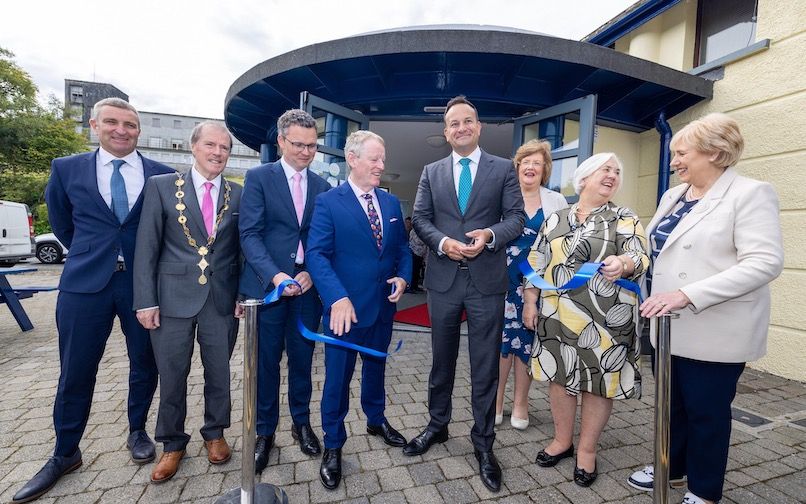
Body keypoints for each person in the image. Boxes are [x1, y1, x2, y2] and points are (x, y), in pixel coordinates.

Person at [12, 98, 174, 503]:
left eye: (130, 125)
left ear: (139, 130)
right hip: (85, 287)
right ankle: (65, 452)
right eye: (112, 123)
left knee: (145, 363)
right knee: (76, 371)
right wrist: (92, 255)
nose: (121, 130)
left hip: (142, 288)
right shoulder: (67, 169)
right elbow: (62, 222)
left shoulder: (162, 174)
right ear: (94, 125)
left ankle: (138, 431)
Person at [627, 114, 783, 504]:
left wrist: (687, 294)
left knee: (706, 414)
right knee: (672, 406)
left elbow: (764, 263)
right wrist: (629, 264)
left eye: (681, 153)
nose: (674, 161)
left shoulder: (750, 193)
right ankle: (671, 468)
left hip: (715, 327)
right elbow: (659, 252)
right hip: (667, 326)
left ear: (714, 152)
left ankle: (704, 490)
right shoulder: (673, 196)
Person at [408, 96, 524, 492]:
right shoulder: (431, 171)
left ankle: (483, 443)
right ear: (446, 132)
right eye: (453, 123)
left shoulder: (503, 169)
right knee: (441, 361)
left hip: (486, 282)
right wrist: (443, 243)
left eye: (467, 121)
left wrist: (489, 236)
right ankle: (437, 426)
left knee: (484, 368)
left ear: (479, 126)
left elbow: (516, 219)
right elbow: (421, 219)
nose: (460, 128)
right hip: (442, 280)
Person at [523, 152, 649, 487]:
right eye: (605, 169)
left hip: (606, 318)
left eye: (617, 171)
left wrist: (624, 263)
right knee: (560, 378)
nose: (612, 175)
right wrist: (530, 302)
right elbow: (537, 261)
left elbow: (639, 254)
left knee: (598, 383)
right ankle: (563, 441)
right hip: (556, 314)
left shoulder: (624, 216)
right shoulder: (556, 219)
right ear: (584, 178)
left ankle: (587, 451)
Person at [132, 122, 242, 482]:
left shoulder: (238, 193)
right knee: (172, 375)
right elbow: (146, 247)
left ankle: (215, 433)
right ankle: (172, 443)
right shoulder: (161, 187)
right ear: (192, 148)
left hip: (221, 299)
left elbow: (242, 251)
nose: (218, 152)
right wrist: (145, 301)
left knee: (220, 374)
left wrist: (242, 295)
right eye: (210, 145)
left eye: (225, 147)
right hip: (172, 299)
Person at [306, 130, 411, 490]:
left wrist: (402, 278)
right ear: (353, 159)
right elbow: (317, 254)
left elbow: (402, 251)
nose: (382, 165)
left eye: (383, 159)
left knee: (377, 369)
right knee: (337, 380)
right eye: (375, 159)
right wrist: (336, 297)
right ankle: (333, 445)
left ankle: (376, 419)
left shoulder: (391, 203)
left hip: (382, 308)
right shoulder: (329, 202)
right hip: (344, 312)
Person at [239, 109, 332, 473]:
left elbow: (323, 239)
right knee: (265, 364)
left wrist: (310, 271)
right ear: (280, 141)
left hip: (306, 291)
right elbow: (249, 235)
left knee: (303, 362)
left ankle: (301, 424)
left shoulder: (323, 186)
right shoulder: (259, 177)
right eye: (299, 145)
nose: (307, 152)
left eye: (312, 146)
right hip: (269, 289)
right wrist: (278, 277)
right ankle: (264, 433)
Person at [496, 139, 568, 430]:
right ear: (517, 167)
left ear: (545, 170)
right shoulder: (502, 196)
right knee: (500, 343)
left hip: (536, 283)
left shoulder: (556, 201)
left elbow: (561, 245)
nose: (530, 167)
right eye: (525, 161)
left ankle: (521, 402)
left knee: (526, 342)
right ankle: (496, 400)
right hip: (501, 281)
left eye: (536, 163)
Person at [409, 225, 427, 292]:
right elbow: (418, 241)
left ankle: (415, 286)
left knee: (417, 271)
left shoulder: (421, 232)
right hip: (414, 252)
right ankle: (412, 287)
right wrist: (425, 239)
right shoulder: (414, 231)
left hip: (420, 253)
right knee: (414, 271)